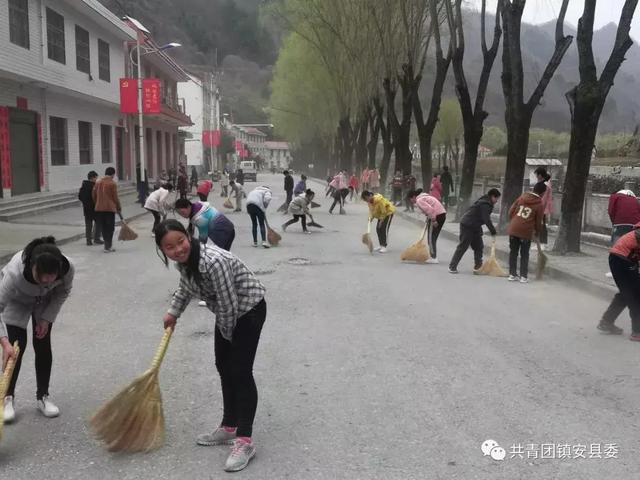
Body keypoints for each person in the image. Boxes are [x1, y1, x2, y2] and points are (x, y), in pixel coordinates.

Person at [156, 220, 266, 472]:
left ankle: (245, 440)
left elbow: (228, 305)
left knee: (239, 370)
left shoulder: (213, 261)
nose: (178, 249)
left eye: (181, 241)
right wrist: (173, 312)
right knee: (223, 366)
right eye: (169, 247)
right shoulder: (184, 263)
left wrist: (229, 337)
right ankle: (229, 426)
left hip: (248, 309)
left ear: (189, 236)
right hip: (228, 311)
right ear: (163, 249)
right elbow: (185, 288)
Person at [0, 237, 74, 423]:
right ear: (32, 267)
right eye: (41, 277)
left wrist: (46, 318)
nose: (46, 281)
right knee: (15, 348)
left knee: (42, 343)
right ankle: (7, 398)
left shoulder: (67, 268)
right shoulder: (14, 274)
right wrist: (4, 341)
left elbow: (63, 291)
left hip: (44, 301)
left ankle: (43, 396)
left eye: (52, 277)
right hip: (18, 300)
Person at [599, 224, 640, 341]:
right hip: (622, 260)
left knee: (625, 293)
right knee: (635, 294)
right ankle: (637, 332)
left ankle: (606, 322)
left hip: (620, 259)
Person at [448, 189, 501, 274]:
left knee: (479, 246)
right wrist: (493, 231)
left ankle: (478, 268)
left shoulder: (485, 201)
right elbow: (486, 219)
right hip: (468, 225)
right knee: (463, 246)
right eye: (496, 198)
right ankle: (452, 267)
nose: (497, 201)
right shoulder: (485, 204)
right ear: (492, 196)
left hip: (475, 226)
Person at [506, 182, 546, 284]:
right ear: (542, 193)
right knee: (524, 254)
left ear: (533, 189)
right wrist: (537, 232)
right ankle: (523, 276)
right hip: (526, 231)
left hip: (514, 228)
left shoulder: (522, 197)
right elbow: (538, 221)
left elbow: (511, 211)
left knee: (513, 252)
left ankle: (512, 274)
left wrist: (513, 222)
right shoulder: (539, 204)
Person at [407, 189, 446, 264]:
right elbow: (429, 210)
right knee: (433, 237)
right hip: (442, 215)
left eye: (410, 199)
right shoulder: (424, 197)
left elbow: (430, 210)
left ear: (414, 196)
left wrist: (434, 220)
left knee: (431, 238)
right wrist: (429, 217)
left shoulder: (419, 200)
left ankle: (434, 257)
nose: (411, 201)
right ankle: (433, 256)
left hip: (437, 216)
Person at [93, 167, 121, 253]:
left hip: (99, 209)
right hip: (109, 209)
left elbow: (93, 194)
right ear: (113, 174)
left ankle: (106, 246)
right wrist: (118, 207)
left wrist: (97, 203)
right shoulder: (112, 183)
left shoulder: (98, 182)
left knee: (104, 227)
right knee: (110, 228)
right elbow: (115, 197)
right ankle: (108, 246)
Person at [78, 170, 103, 246]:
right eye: (96, 177)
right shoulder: (95, 186)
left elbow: (80, 197)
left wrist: (85, 203)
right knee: (99, 223)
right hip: (95, 208)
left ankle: (88, 241)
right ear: (92, 178)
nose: (97, 179)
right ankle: (96, 238)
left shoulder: (83, 186)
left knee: (88, 225)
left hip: (86, 209)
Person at [534, 167, 553, 250]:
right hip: (544, 207)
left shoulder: (540, 185)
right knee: (541, 224)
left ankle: (542, 243)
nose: (536, 177)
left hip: (540, 207)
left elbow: (535, 197)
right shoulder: (547, 183)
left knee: (540, 225)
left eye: (536, 175)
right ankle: (542, 243)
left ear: (540, 175)